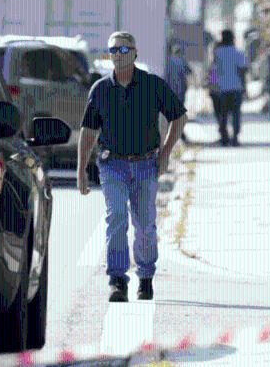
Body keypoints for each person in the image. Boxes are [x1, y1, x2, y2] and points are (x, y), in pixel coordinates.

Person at [77, 32, 187, 302]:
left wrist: (166, 154)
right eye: (113, 49)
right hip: (112, 165)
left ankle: (146, 278)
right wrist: (81, 172)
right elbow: (88, 132)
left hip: (146, 165)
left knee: (145, 224)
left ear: (135, 53)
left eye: (124, 49)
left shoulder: (152, 85)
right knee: (116, 219)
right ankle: (117, 280)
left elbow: (179, 117)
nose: (118, 54)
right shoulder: (100, 89)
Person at [214, 29, 248, 146]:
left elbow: (213, 70)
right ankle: (235, 138)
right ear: (233, 38)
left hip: (221, 88)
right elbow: (243, 71)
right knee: (235, 114)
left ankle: (224, 136)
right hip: (236, 88)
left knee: (222, 113)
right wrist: (245, 87)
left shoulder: (217, 53)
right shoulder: (238, 53)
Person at [164, 44, 192, 143]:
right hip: (180, 93)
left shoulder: (167, 62)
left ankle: (174, 135)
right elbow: (190, 72)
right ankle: (180, 135)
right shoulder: (182, 62)